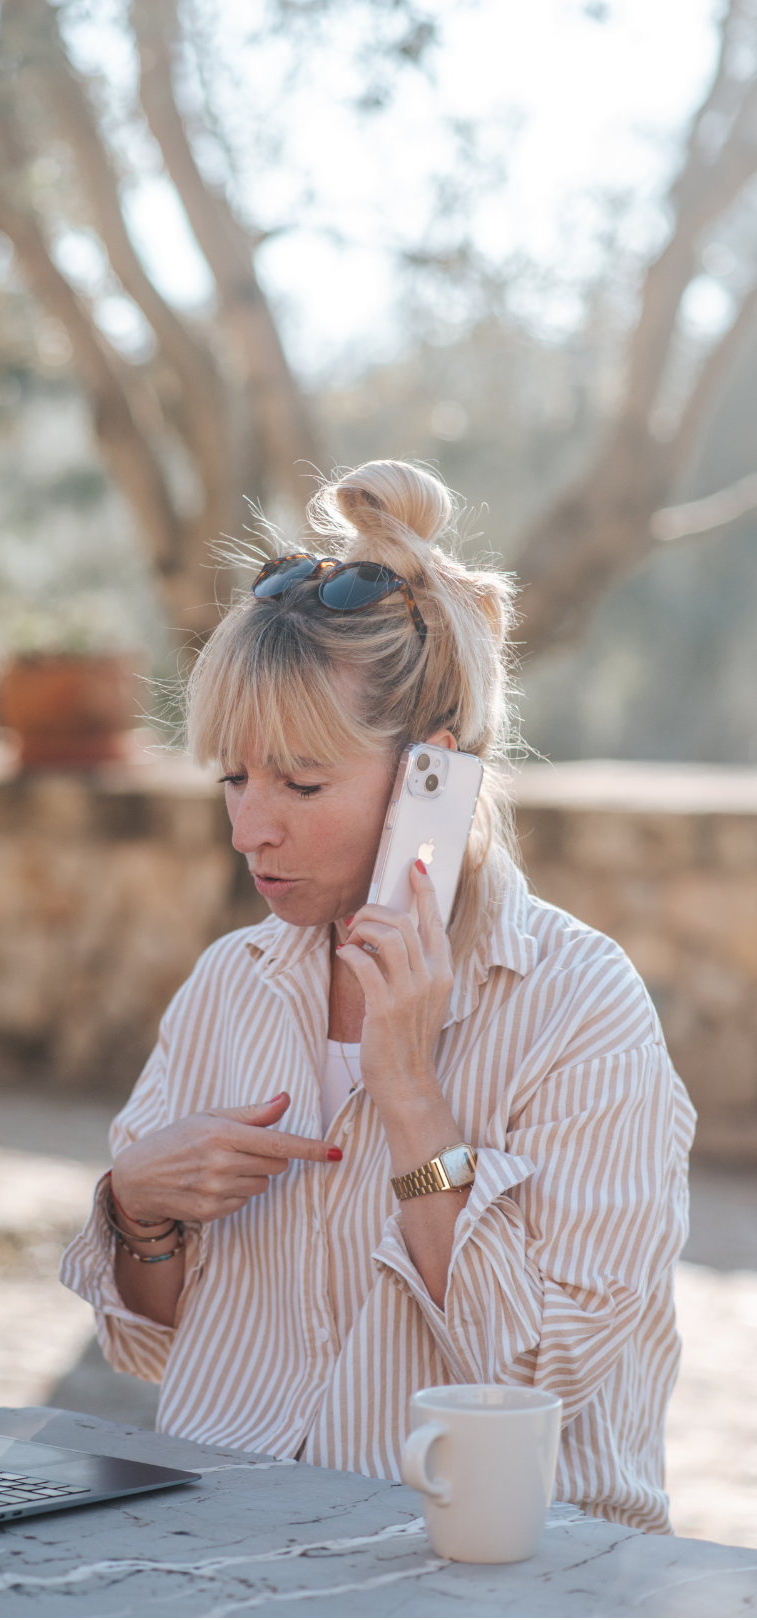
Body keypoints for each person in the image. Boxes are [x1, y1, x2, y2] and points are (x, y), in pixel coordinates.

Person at [61, 459, 695, 1533]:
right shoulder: (231, 985)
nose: (247, 828)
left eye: (300, 783)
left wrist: (409, 1092)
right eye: (232, 775)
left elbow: (541, 1377)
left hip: (502, 1576)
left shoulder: (583, 1008)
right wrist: (139, 1211)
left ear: (430, 780)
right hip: (228, 1555)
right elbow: (151, 1341)